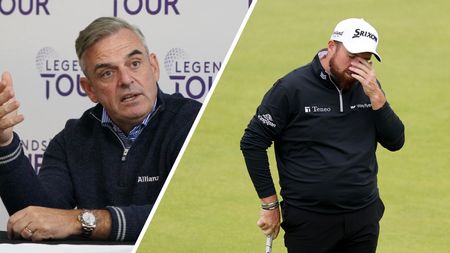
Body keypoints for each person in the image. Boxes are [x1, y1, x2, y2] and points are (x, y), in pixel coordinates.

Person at [0, 16, 201, 242]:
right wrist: (4, 145)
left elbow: (192, 216)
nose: (126, 80)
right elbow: (39, 219)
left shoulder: (195, 123)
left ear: (153, 67)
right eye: (107, 73)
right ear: (90, 89)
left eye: (134, 64)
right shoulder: (70, 140)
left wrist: (81, 221)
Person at [240, 18, 405, 252]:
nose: (357, 66)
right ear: (331, 46)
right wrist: (269, 205)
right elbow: (252, 142)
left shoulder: (369, 88)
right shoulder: (291, 88)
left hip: (363, 216)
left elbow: (396, 142)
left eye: (365, 60)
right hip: (309, 220)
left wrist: (377, 98)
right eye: (351, 57)